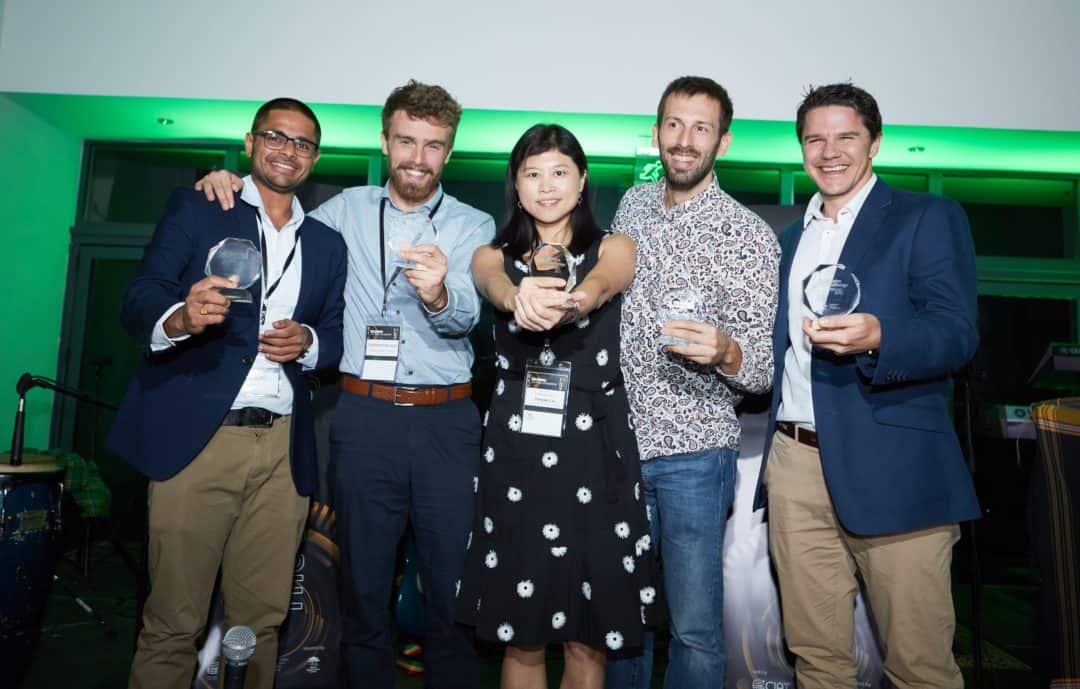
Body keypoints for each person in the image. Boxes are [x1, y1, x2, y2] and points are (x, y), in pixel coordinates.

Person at [197, 80, 495, 689]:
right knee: (362, 587)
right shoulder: (343, 211)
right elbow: (275, 222)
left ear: (449, 151)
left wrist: (439, 292)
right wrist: (229, 185)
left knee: (452, 590)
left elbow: (466, 317)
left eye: (433, 145)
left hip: (447, 422)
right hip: (364, 418)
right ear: (385, 142)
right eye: (406, 141)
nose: (418, 158)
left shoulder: (473, 223)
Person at [107, 98, 347, 689]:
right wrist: (182, 317)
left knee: (260, 624)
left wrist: (309, 341)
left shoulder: (326, 243)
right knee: (173, 622)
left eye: (302, 143)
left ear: (314, 158)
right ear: (250, 142)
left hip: (284, 451)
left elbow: (337, 334)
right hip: (199, 440)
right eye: (276, 136)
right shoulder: (201, 207)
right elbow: (139, 296)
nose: (288, 150)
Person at [757, 82, 980, 689]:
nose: (829, 152)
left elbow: (957, 332)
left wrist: (883, 335)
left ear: (875, 142)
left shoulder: (925, 216)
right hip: (796, 464)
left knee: (919, 665)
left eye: (846, 137)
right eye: (815, 139)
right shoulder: (790, 239)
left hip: (896, 464)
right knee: (817, 660)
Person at [455, 124, 662, 689]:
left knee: (587, 635)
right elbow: (493, 284)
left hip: (595, 447)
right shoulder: (490, 255)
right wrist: (516, 297)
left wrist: (576, 302)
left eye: (559, 172)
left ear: (582, 180)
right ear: (516, 185)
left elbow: (606, 281)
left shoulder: (613, 245)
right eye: (533, 173)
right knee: (519, 634)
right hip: (516, 449)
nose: (546, 186)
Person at [605, 76, 781, 689]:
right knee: (622, 622)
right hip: (619, 448)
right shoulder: (631, 206)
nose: (685, 140)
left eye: (701, 128)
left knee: (694, 629)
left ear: (722, 142)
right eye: (674, 125)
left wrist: (728, 351)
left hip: (696, 455)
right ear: (657, 132)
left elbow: (763, 371)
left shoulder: (749, 237)